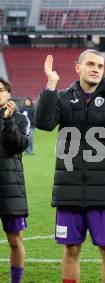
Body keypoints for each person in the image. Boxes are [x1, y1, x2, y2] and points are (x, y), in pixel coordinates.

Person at [34, 50, 105, 283]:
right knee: (70, 250)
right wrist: (51, 84)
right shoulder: (63, 97)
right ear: (77, 67)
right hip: (69, 189)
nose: (96, 69)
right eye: (90, 64)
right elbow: (43, 123)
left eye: (100, 66)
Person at [0, 78, 29, 283]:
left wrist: (8, 120)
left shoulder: (20, 119)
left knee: (14, 239)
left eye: (0, 90)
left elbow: (18, 146)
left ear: (8, 93)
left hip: (10, 187)